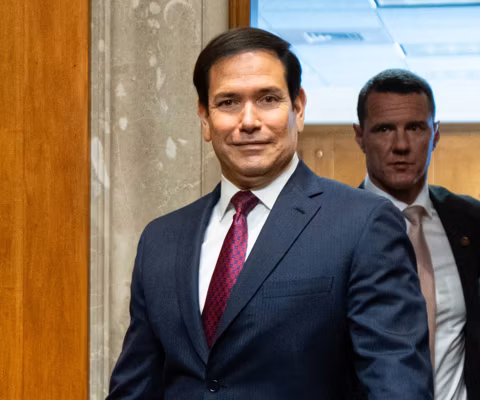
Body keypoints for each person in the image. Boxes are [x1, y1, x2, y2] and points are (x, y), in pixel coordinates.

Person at [107, 27, 432, 399]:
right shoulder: (161, 239)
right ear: (204, 118)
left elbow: (397, 387)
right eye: (228, 102)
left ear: (298, 108)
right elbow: (135, 388)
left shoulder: (363, 225)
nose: (248, 121)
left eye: (267, 99)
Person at [353, 69, 480, 400]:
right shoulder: (332, 227)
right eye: (384, 129)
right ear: (360, 136)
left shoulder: (470, 221)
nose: (400, 145)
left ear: (436, 134)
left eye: (415, 128)